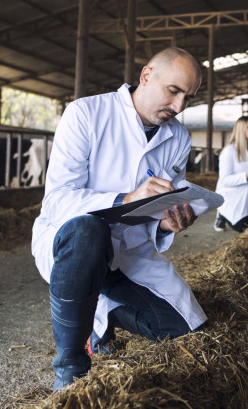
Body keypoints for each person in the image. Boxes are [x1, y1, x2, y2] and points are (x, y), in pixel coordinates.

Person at [31, 47, 207, 391]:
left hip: (130, 254)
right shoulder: (86, 113)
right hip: (74, 248)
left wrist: (165, 222)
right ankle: (70, 367)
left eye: (188, 97)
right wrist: (124, 199)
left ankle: (103, 310)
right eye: (173, 91)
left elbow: (159, 207)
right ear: (146, 76)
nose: (179, 107)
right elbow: (57, 200)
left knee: (185, 329)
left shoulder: (179, 138)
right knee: (88, 229)